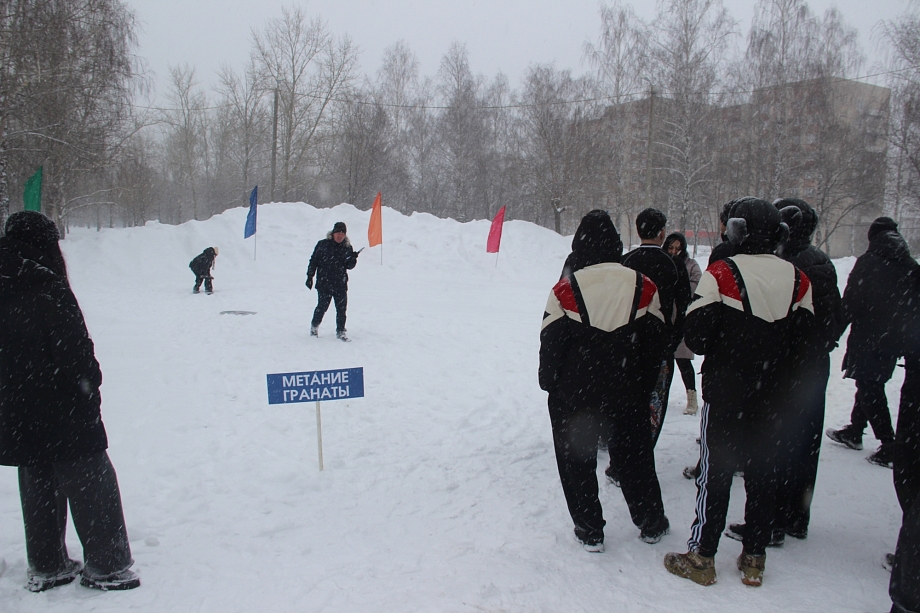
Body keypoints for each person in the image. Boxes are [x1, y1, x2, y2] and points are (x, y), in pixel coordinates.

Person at [664, 197, 813, 587]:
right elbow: (807, 345)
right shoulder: (799, 278)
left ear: (738, 231)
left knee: (716, 472)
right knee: (764, 473)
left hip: (727, 390)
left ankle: (703, 555)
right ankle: (754, 557)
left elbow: (695, 337)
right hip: (776, 394)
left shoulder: (721, 273)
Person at [0, 211, 139, 592]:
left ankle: (47, 564)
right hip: (64, 409)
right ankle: (108, 565)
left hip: (16, 410)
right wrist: (90, 382)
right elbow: (76, 355)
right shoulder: (47, 286)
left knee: (38, 483)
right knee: (93, 483)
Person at [540, 210, 670, 552]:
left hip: (576, 393)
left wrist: (551, 384)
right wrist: (641, 383)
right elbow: (656, 344)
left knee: (576, 463)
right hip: (627, 389)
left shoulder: (564, 290)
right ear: (616, 244)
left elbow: (550, 347)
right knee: (635, 460)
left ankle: (590, 530)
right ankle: (651, 522)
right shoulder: (644, 285)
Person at [723, 198, 843, 548]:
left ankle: (770, 521)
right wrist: (820, 345)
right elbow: (836, 315)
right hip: (812, 366)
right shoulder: (820, 261)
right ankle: (796, 516)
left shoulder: (787, 264)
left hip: (786, 367)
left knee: (775, 444)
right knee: (806, 444)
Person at [827, 217, 917, 468]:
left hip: (869, 336)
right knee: (870, 381)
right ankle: (855, 431)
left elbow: (851, 302)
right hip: (896, 338)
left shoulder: (869, 263)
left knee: (869, 386)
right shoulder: (910, 265)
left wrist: (833, 333)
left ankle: (889, 445)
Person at [620, 208, 693, 446]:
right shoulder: (673, 265)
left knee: (627, 399)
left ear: (639, 231)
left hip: (627, 344)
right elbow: (683, 307)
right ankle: (644, 449)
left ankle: (623, 451)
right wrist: (673, 337)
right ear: (662, 232)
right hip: (661, 345)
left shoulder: (626, 262)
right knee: (654, 402)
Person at [664, 232, 702, 415]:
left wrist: (682, 288)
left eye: (678, 249)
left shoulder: (691, 265)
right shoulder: (662, 262)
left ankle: (692, 398)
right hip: (664, 315)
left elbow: (697, 283)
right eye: (671, 248)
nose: (674, 252)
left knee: (684, 361)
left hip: (683, 316)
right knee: (663, 363)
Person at [306, 222, 359, 341]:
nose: (340, 236)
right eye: (338, 233)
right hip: (324, 282)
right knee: (322, 307)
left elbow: (349, 266)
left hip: (340, 283)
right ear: (333, 233)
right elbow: (314, 261)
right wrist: (310, 276)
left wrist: (353, 259)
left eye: (342, 233)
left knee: (341, 309)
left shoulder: (347, 247)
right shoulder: (323, 245)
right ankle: (314, 327)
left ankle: (341, 331)